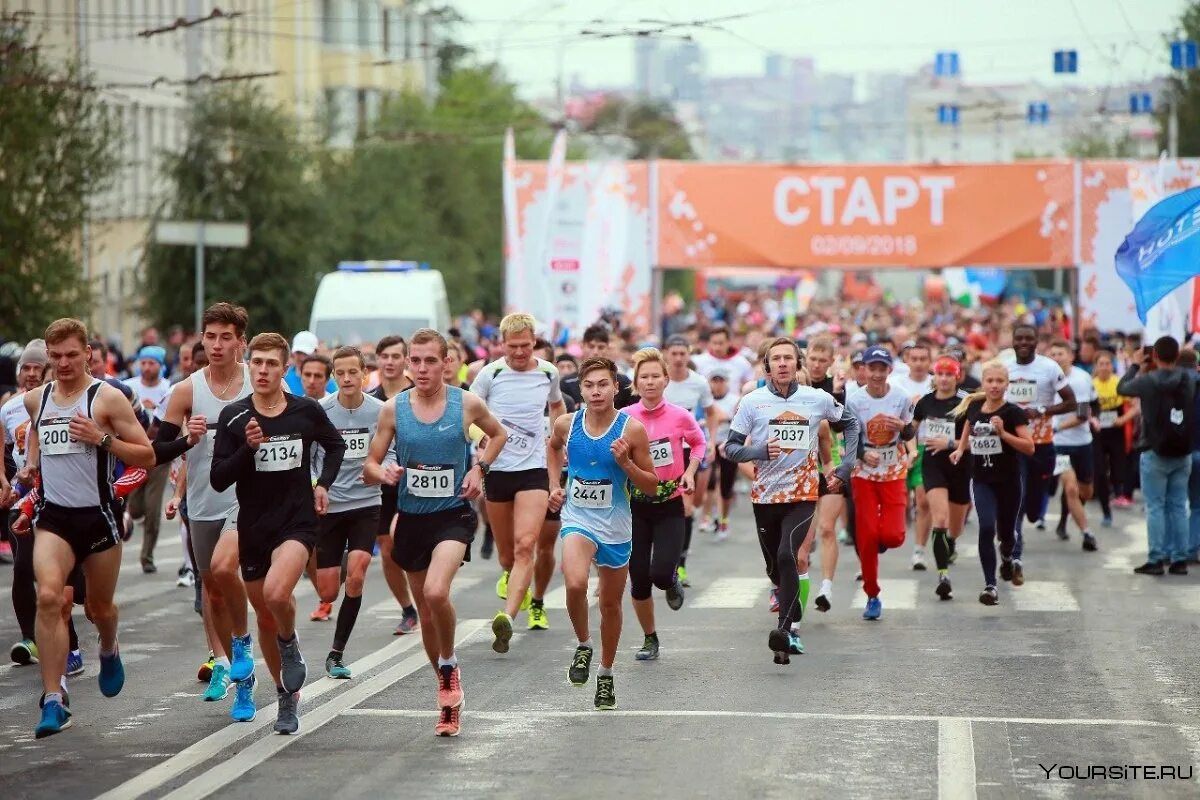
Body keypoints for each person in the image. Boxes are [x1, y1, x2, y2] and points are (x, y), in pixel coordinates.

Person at [364, 328, 507, 737]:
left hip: (453, 516)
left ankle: (448, 668)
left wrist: (480, 468)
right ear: (408, 363)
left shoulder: (466, 404)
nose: (422, 368)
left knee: (435, 593)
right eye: (416, 361)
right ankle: (446, 681)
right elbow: (369, 465)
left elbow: (499, 435)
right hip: (411, 518)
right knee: (426, 614)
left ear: (447, 363)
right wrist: (384, 472)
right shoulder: (393, 409)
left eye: (431, 361)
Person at [20, 318, 155, 738]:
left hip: (98, 515)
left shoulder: (106, 398)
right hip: (55, 518)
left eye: (71, 355)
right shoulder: (36, 400)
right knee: (48, 597)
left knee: (98, 609)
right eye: (55, 356)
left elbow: (147, 457)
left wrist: (103, 439)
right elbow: (36, 446)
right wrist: (28, 471)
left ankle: (110, 647)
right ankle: (54, 700)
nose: (63, 363)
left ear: (87, 354)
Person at [210, 332, 348, 735]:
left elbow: (335, 446)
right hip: (254, 525)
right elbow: (219, 479)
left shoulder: (304, 411)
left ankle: (291, 645)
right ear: (248, 365)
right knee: (264, 619)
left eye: (272, 363)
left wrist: (323, 484)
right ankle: (285, 695)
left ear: (284, 368)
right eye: (257, 363)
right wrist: (247, 449)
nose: (264, 370)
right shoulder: (234, 417)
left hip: (297, 521)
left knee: (275, 595)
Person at [724, 338, 859, 660]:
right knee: (774, 565)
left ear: (797, 364)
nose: (783, 363)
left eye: (788, 358)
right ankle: (786, 595)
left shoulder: (817, 399)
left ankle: (785, 631)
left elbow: (851, 423)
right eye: (776, 359)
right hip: (765, 496)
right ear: (767, 367)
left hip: (802, 493)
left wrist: (847, 463)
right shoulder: (751, 402)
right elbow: (730, 448)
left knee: (789, 554)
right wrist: (757, 451)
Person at [153, 303, 256, 716]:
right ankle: (222, 661)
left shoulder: (258, 382)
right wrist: (186, 441)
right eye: (210, 336)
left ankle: (245, 671)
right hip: (202, 500)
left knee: (228, 570)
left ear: (240, 342)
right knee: (211, 586)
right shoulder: (186, 391)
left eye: (225, 337)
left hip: (247, 499)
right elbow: (156, 451)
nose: (216, 345)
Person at [547, 357, 659, 709]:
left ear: (616, 388)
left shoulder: (632, 430)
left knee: (610, 604)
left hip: (616, 526)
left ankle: (606, 674)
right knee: (576, 582)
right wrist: (555, 484)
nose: (595, 391)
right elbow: (552, 448)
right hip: (578, 518)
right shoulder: (567, 424)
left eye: (602, 384)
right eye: (589, 385)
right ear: (580, 389)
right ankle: (583, 645)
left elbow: (653, 486)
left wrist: (626, 463)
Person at [469, 313, 566, 651]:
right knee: (508, 557)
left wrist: (557, 438)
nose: (521, 352)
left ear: (534, 341)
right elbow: (470, 415)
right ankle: (511, 577)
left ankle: (507, 617)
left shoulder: (548, 372)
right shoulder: (490, 373)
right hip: (498, 470)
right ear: (502, 344)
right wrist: (480, 438)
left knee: (528, 545)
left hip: (533, 471)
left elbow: (557, 404)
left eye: (526, 345)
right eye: (514, 347)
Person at [621, 348, 705, 661]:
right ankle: (649, 638)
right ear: (636, 382)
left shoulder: (680, 416)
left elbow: (699, 443)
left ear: (666, 380)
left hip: (670, 502)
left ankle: (670, 581)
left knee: (660, 572)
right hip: (637, 507)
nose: (651, 382)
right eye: (645, 377)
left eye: (656, 376)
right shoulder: (626, 418)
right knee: (639, 578)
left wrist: (690, 472)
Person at [313, 347, 387, 678]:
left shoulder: (380, 411)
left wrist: (385, 470)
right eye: (340, 373)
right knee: (328, 591)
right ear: (333, 377)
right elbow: (310, 455)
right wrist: (317, 485)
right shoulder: (321, 411)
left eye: (352, 372)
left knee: (356, 577)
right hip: (331, 505)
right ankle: (335, 557)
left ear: (364, 375)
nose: (346, 378)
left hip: (366, 503)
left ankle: (336, 653)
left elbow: (392, 448)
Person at [950, 360, 1035, 604]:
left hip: (1008, 482)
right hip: (982, 480)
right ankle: (990, 586)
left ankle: (1007, 558)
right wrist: (961, 449)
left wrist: (1004, 434)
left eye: (999, 381)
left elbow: (1029, 447)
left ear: (1007, 384)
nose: (995, 385)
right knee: (986, 527)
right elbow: (968, 425)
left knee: (1006, 534)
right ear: (983, 383)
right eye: (990, 381)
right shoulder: (975, 405)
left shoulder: (1013, 412)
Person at [1001, 324, 1076, 585]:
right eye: (1018, 338)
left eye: (1028, 339)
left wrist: (1042, 410)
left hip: (1043, 445)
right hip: (1015, 445)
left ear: (1036, 342)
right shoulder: (1004, 367)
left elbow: (1071, 402)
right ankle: (1015, 557)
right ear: (1012, 341)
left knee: (1033, 509)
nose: (1023, 342)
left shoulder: (1048, 368)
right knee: (1018, 501)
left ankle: (1033, 515)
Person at [845, 345, 915, 621]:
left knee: (894, 536)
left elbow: (910, 430)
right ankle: (872, 594)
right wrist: (863, 453)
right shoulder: (854, 400)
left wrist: (902, 428)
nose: (875, 374)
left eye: (881, 368)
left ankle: (882, 540)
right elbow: (849, 438)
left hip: (894, 471)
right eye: (870, 368)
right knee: (867, 536)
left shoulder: (901, 397)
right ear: (864, 369)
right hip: (863, 474)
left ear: (889, 370)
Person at [1118, 336, 1196, 576]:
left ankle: (1156, 557)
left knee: (1155, 506)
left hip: (1154, 449)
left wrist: (1135, 365)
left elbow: (1121, 388)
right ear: (1177, 355)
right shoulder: (1188, 379)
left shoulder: (1148, 381)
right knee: (1178, 506)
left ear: (1155, 356)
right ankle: (1180, 559)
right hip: (1183, 450)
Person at [368, 335, 419, 636]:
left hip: (418, 481)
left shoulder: (420, 393)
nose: (389, 362)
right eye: (384, 356)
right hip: (384, 482)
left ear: (406, 360)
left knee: (410, 542)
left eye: (395, 356)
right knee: (387, 548)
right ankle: (408, 609)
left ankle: (427, 596)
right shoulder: (370, 399)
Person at [661, 335, 719, 579]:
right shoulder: (657, 380)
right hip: (660, 450)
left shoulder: (698, 383)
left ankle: (680, 563)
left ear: (689, 354)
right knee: (662, 504)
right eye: (673, 353)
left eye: (682, 354)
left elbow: (711, 412)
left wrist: (712, 441)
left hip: (688, 450)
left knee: (687, 507)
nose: (677, 358)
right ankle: (664, 552)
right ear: (665, 354)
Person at [913, 356, 970, 600]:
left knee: (955, 528)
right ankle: (943, 575)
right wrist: (904, 440)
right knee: (940, 518)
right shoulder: (924, 402)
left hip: (959, 464)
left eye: (949, 374)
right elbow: (910, 430)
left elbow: (974, 441)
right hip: (933, 464)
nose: (944, 379)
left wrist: (950, 443)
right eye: (940, 374)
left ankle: (951, 544)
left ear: (957, 377)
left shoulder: (966, 404)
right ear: (934, 377)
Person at [124, 345, 172, 573]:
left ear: (160, 366)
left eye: (151, 363)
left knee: (153, 510)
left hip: (160, 456)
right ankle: (129, 518)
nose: (146, 367)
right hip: (135, 454)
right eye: (143, 362)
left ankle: (147, 556)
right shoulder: (130, 387)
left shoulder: (168, 388)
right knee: (134, 508)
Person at [1048, 340, 1099, 551]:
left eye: (1060, 354)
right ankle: (1087, 534)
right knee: (1070, 488)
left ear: (1070, 356)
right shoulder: (1045, 378)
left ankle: (1064, 518)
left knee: (1085, 492)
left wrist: (1059, 427)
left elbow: (1082, 415)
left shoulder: (1081, 379)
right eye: (1053, 354)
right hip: (1058, 444)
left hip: (1082, 441)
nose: (1056, 358)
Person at [889, 342, 934, 571]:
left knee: (924, 500)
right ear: (906, 360)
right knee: (900, 500)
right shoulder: (896, 384)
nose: (918, 363)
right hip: (898, 446)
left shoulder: (935, 384)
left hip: (927, 445)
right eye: (913, 358)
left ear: (929, 361)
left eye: (922, 359)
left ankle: (919, 550)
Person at [1091, 351, 1135, 525]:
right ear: (1096, 366)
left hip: (1116, 429)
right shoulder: (1091, 384)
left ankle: (1118, 491)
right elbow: (1083, 408)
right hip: (1098, 431)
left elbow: (1135, 408)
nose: (1104, 367)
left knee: (1119, 465)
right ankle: (1104, 499)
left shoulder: (1118, 383)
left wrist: (1122, 420)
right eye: (1100, 364)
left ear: (1112, 365)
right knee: (1100, 470)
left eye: (1107, 364)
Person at [283, 331, 334, 396]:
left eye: (305, 353)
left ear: (316, 352)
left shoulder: (326, 380)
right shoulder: (285, 378)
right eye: (298, 353)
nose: (301, 358)